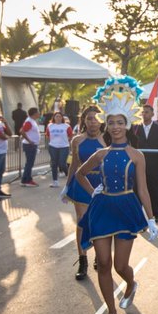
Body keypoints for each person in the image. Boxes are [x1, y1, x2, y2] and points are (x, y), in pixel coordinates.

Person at [76, 77, 158, 314]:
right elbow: (80, 174)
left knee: (121, 266)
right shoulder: (100, 154)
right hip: (102, 209)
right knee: (103, 263)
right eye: (111, 122)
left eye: (119, 122)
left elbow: (143, 189)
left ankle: (131, 285)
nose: (115, 127)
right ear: (106, 125)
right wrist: (93, 192)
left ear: (127, 124)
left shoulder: (136, 155)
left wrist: (151, 219)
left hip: (125, 209)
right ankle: (111, 313)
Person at [61, 106, 105, 280]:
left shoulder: (107, 140)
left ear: (101, 120)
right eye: (89, 118)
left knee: (99, 222)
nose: (92, 121)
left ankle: (99, 255)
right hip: (81, 183)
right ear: (84, 121)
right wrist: (66, 186)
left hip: (102, 185)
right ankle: (82, 260)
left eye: (95, 118)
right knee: (82, 221)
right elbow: (74, 164)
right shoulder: (77, 141)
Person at [132, 104, 158, 222]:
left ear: (153, 114)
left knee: (154, 190)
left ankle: (156, 213)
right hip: (138, 166)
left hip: (154, 166)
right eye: (143, 112)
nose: (144, 114)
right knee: (137, 190)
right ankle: (138, 215)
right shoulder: (135, 129)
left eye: (147, 112)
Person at [46, 112, 73, 188]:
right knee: (54, 164)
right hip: (53, 146)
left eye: (59, 117)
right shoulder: (50, 126)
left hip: (64, 147)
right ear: (54, 118)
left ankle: (70, 177)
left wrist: (67, 141)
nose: (58, 118)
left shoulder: (66, 126)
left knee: (62, 163)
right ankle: (55, 181)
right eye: (56, 116)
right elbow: (48, 135)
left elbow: (70, 135)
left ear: (62, 118)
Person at [20, 108, 40, 187]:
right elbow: (22, 131)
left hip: (31, 145)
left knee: (29, 163)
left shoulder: (32, 121)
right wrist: (29, 141)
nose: (39, 114)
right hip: (30, 145)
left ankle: (25, 179)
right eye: (38, 112)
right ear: (34, 113)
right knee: (29, 163)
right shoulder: (29, 121)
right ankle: (27, 180)